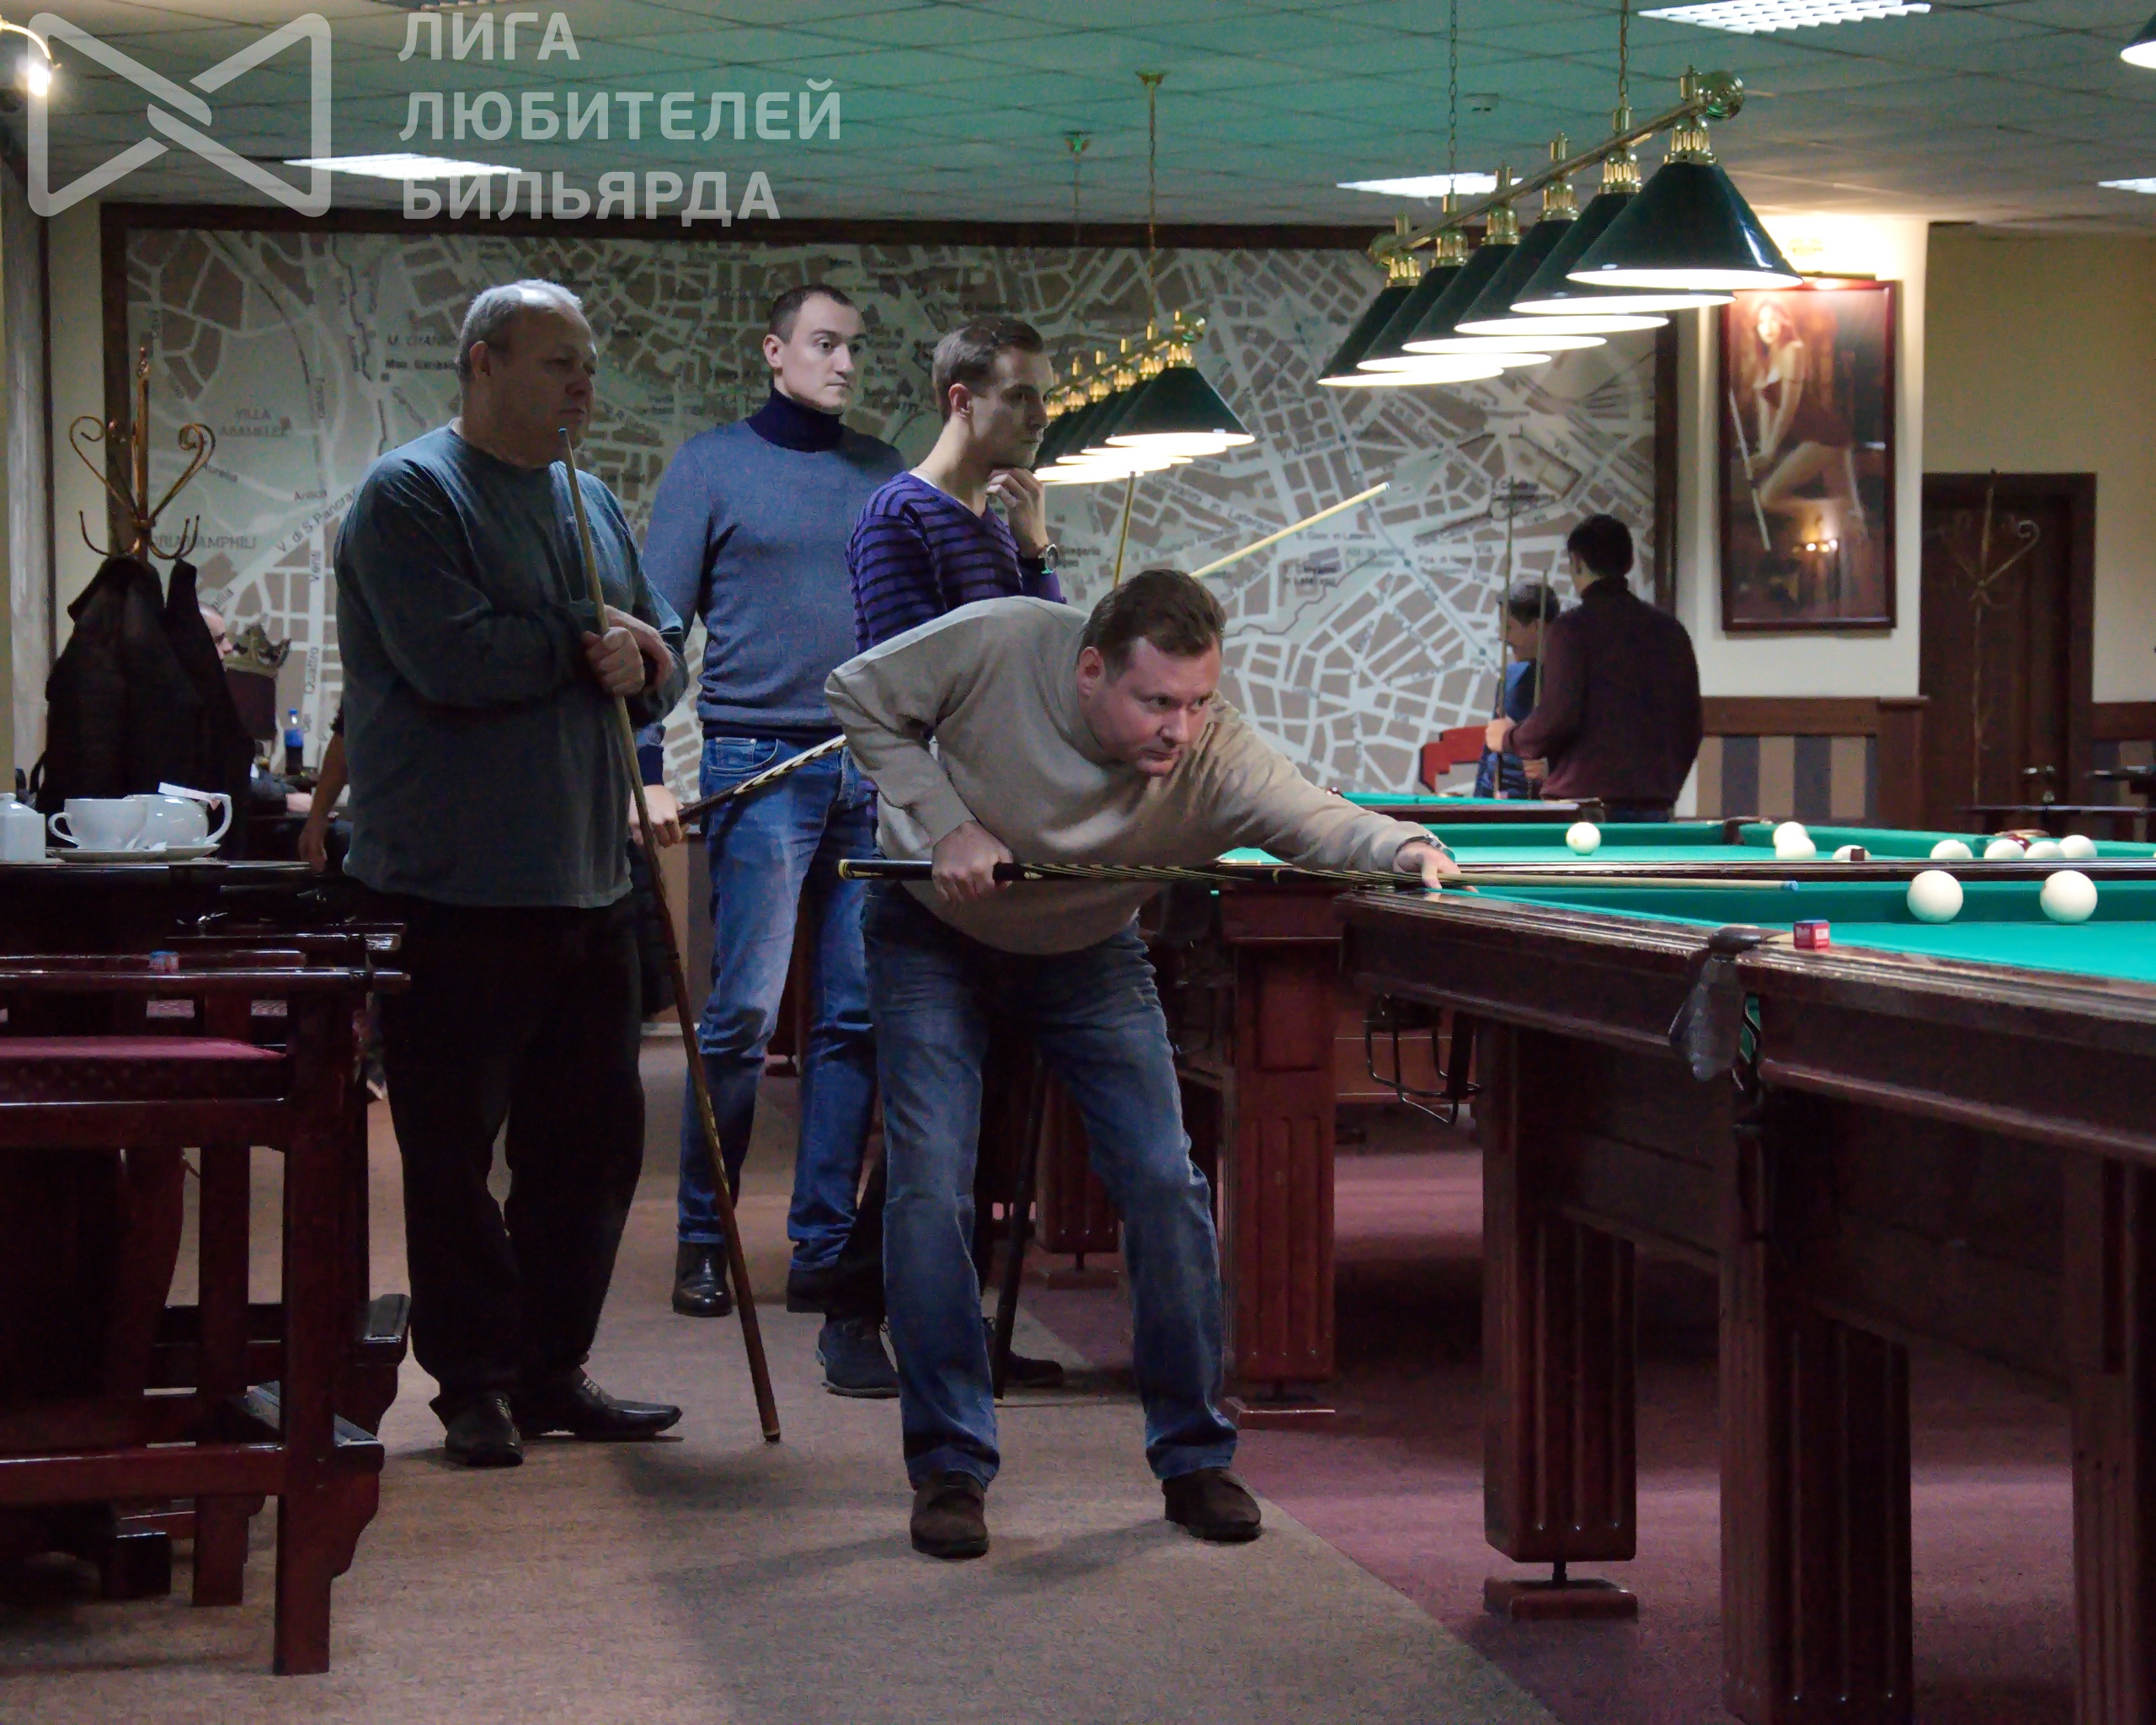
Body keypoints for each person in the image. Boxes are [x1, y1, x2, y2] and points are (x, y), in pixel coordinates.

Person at [824, 570, 1458, 1559]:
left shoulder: (1214, 753)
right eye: (1156, 700)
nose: (1180, 728)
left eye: (1198, 701)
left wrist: (1408, 847)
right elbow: (857, 692)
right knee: (930, 1186)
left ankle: (1193, 1456)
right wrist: (944, 819)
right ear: (1091, 671)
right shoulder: (999, 641)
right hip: (932, 935)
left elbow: (1317, 818)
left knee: (1165, 1182)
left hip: (1088, 950)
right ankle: (949, 1462)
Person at [334, 279, 689, 1469]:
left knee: (591, 1151)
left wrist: (647, 664)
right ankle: (474, 1383)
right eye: (556, 362)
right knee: (452, 1154)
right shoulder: (409, 493)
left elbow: (662, 652)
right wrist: (595, 644)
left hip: (589, 876)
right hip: (451, 888)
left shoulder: (591, 498)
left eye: (587, 363)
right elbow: (453, 660)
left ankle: (549, 1369)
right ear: (483, 362)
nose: (583, 384)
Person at [814, 318, 1066, 1400]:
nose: (1041, 416)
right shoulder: (898, 516)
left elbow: (1052, 672)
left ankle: (956, 1330)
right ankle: (850, 1317)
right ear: (961, 399)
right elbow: (901, 692)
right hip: (935, 851)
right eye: (1023, 397)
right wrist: (953, 817)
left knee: (988, 1117)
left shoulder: (996, 525)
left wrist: (1039, 553)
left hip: (1008, 845)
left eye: (1045, 398)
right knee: (932, 1119)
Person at [641, 284, 904, 1324]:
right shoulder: (711, 465)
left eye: (853, 348)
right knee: (743, 1014)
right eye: (825, 344)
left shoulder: (883, 471)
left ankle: (823, 1247)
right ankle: (704, 1240)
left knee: (855, 1016)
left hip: (868, 767)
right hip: (757, 764)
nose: (843, 364)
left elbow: (916, 626)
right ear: (773, 351)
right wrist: (647, 764)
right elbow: (654, 633)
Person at [1487, 515, 1701, 822]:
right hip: (1654, 807)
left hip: (1583, 811)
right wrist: (1663, 788)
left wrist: (1508, 738)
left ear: (1577, 562)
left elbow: (1557, 717)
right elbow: (1690, 726)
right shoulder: (1672, 631)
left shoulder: (1571, 630)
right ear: (1628, 562)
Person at [1476, 580, 1561, 799]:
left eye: (1509, 627)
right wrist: (1475, 806)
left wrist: (1554, 771)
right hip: (1496, 802)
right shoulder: (1511, 676)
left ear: (1537, 626)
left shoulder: (1572, 682)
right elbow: (1488, 754)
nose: (1502, 637)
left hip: (1541, 806)